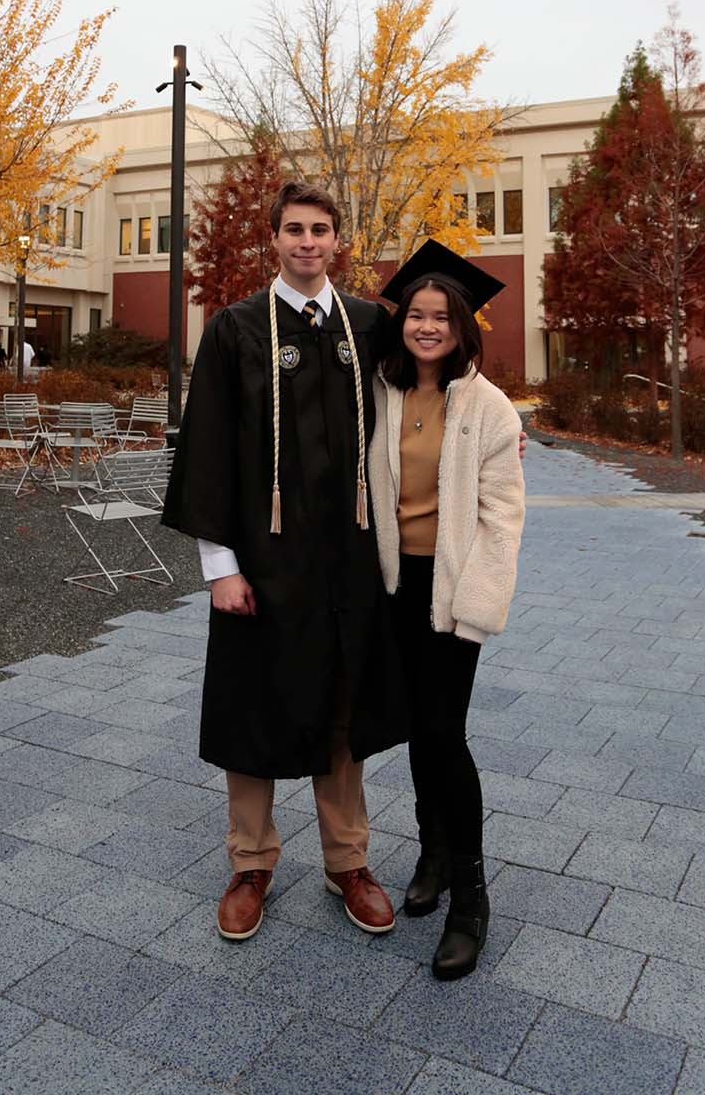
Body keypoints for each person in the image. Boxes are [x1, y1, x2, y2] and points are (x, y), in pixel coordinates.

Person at [162, 181, 406, 944]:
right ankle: (251, 864)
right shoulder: (235, 329)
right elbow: (205, 451)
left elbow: (438, 379)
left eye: (321, 230)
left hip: (347, 561)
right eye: (294, 230)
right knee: (253, 710)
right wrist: (219, 566)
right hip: (262, 564)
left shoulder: (367, 324)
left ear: (338, 242)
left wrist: (498, 428)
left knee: (342, 710)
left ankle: (348, 863)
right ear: (273, 239)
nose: (307, 242)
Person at [369, 240, 526, 981]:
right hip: (392, 585)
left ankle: (469, 896)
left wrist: (476, 609)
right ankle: (429, 851)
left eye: (441, 317)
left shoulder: (488, 408)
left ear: (463, 327)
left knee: (443, 733)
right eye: (416, 315)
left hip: (451, 590)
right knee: (414, 730)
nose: (426, 326)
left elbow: (503, 519)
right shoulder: (382, 388)